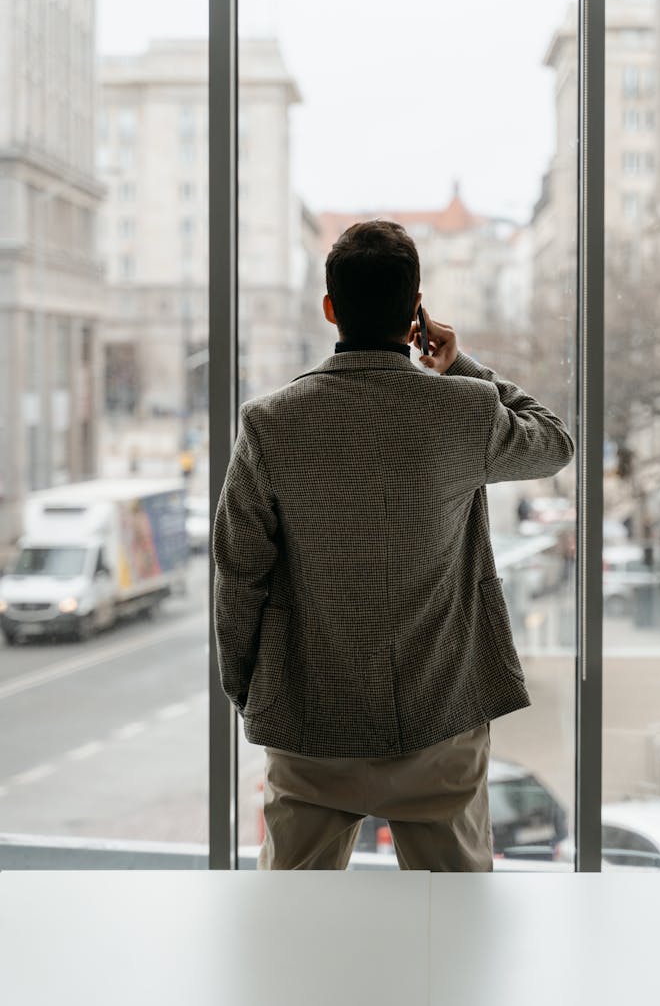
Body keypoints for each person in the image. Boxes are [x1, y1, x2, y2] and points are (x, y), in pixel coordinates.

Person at [212, 219, 574, 871]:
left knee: (293, 924)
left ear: (329, 308)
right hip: (440, 717)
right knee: (453, 927)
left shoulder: (269, 423)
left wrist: (246, 689)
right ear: (416, 309)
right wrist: (461, 364)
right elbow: (553, 440)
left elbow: (239, 571)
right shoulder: (464, 410)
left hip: (310, 722)